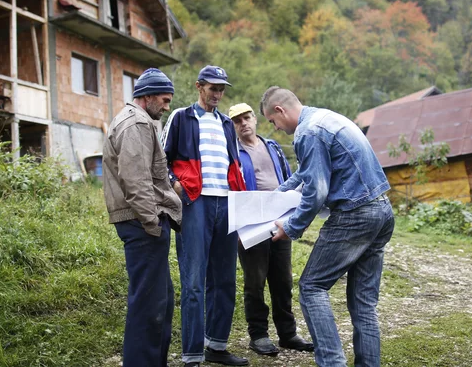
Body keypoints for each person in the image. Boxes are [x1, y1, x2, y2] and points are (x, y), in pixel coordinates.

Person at [259, 87, 395, 367]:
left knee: (311, 287)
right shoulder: (324, 118)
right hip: (382, 211)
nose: (275, 127)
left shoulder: (307, 132)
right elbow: (306, 172)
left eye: (272, 121)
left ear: (279, 110)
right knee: (363, 304)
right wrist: (277, 196)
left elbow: (317, 191)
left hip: (355, 214)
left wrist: (291, 226)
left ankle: (332, 362)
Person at [162, 66, 248, 367]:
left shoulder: (226, 123)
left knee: (225, 279)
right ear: (199, 87)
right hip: (194, 203)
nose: (218, 94)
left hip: (226, 204)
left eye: (222, 89)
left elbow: (234, 164)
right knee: (194, 281)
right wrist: (175, 184)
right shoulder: (181, 118)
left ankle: (217, 346)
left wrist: (241, 197)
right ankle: (192, 355)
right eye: (213, 88)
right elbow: (161, 159)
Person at [102, 68, 182, 367]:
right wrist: (152, 223)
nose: (167, 105)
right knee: (148, 305)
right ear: (146, 96)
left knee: (159, 300)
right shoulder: (136, 123)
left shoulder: (141, 121)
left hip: (144, 222)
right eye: (164, 99)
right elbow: (135, 180)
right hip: (142, 224)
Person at [227, 102, 315, 357]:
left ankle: (288, 334)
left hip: (279, 220)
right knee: (255, 282)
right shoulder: (231, 152)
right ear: (233, 126)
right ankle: (259, 336)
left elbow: (289, 178)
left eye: (247, 117)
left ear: (255, 119)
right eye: (237, 120)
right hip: (250, 222)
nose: (243, 123)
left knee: (283, 280)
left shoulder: (273, 147)